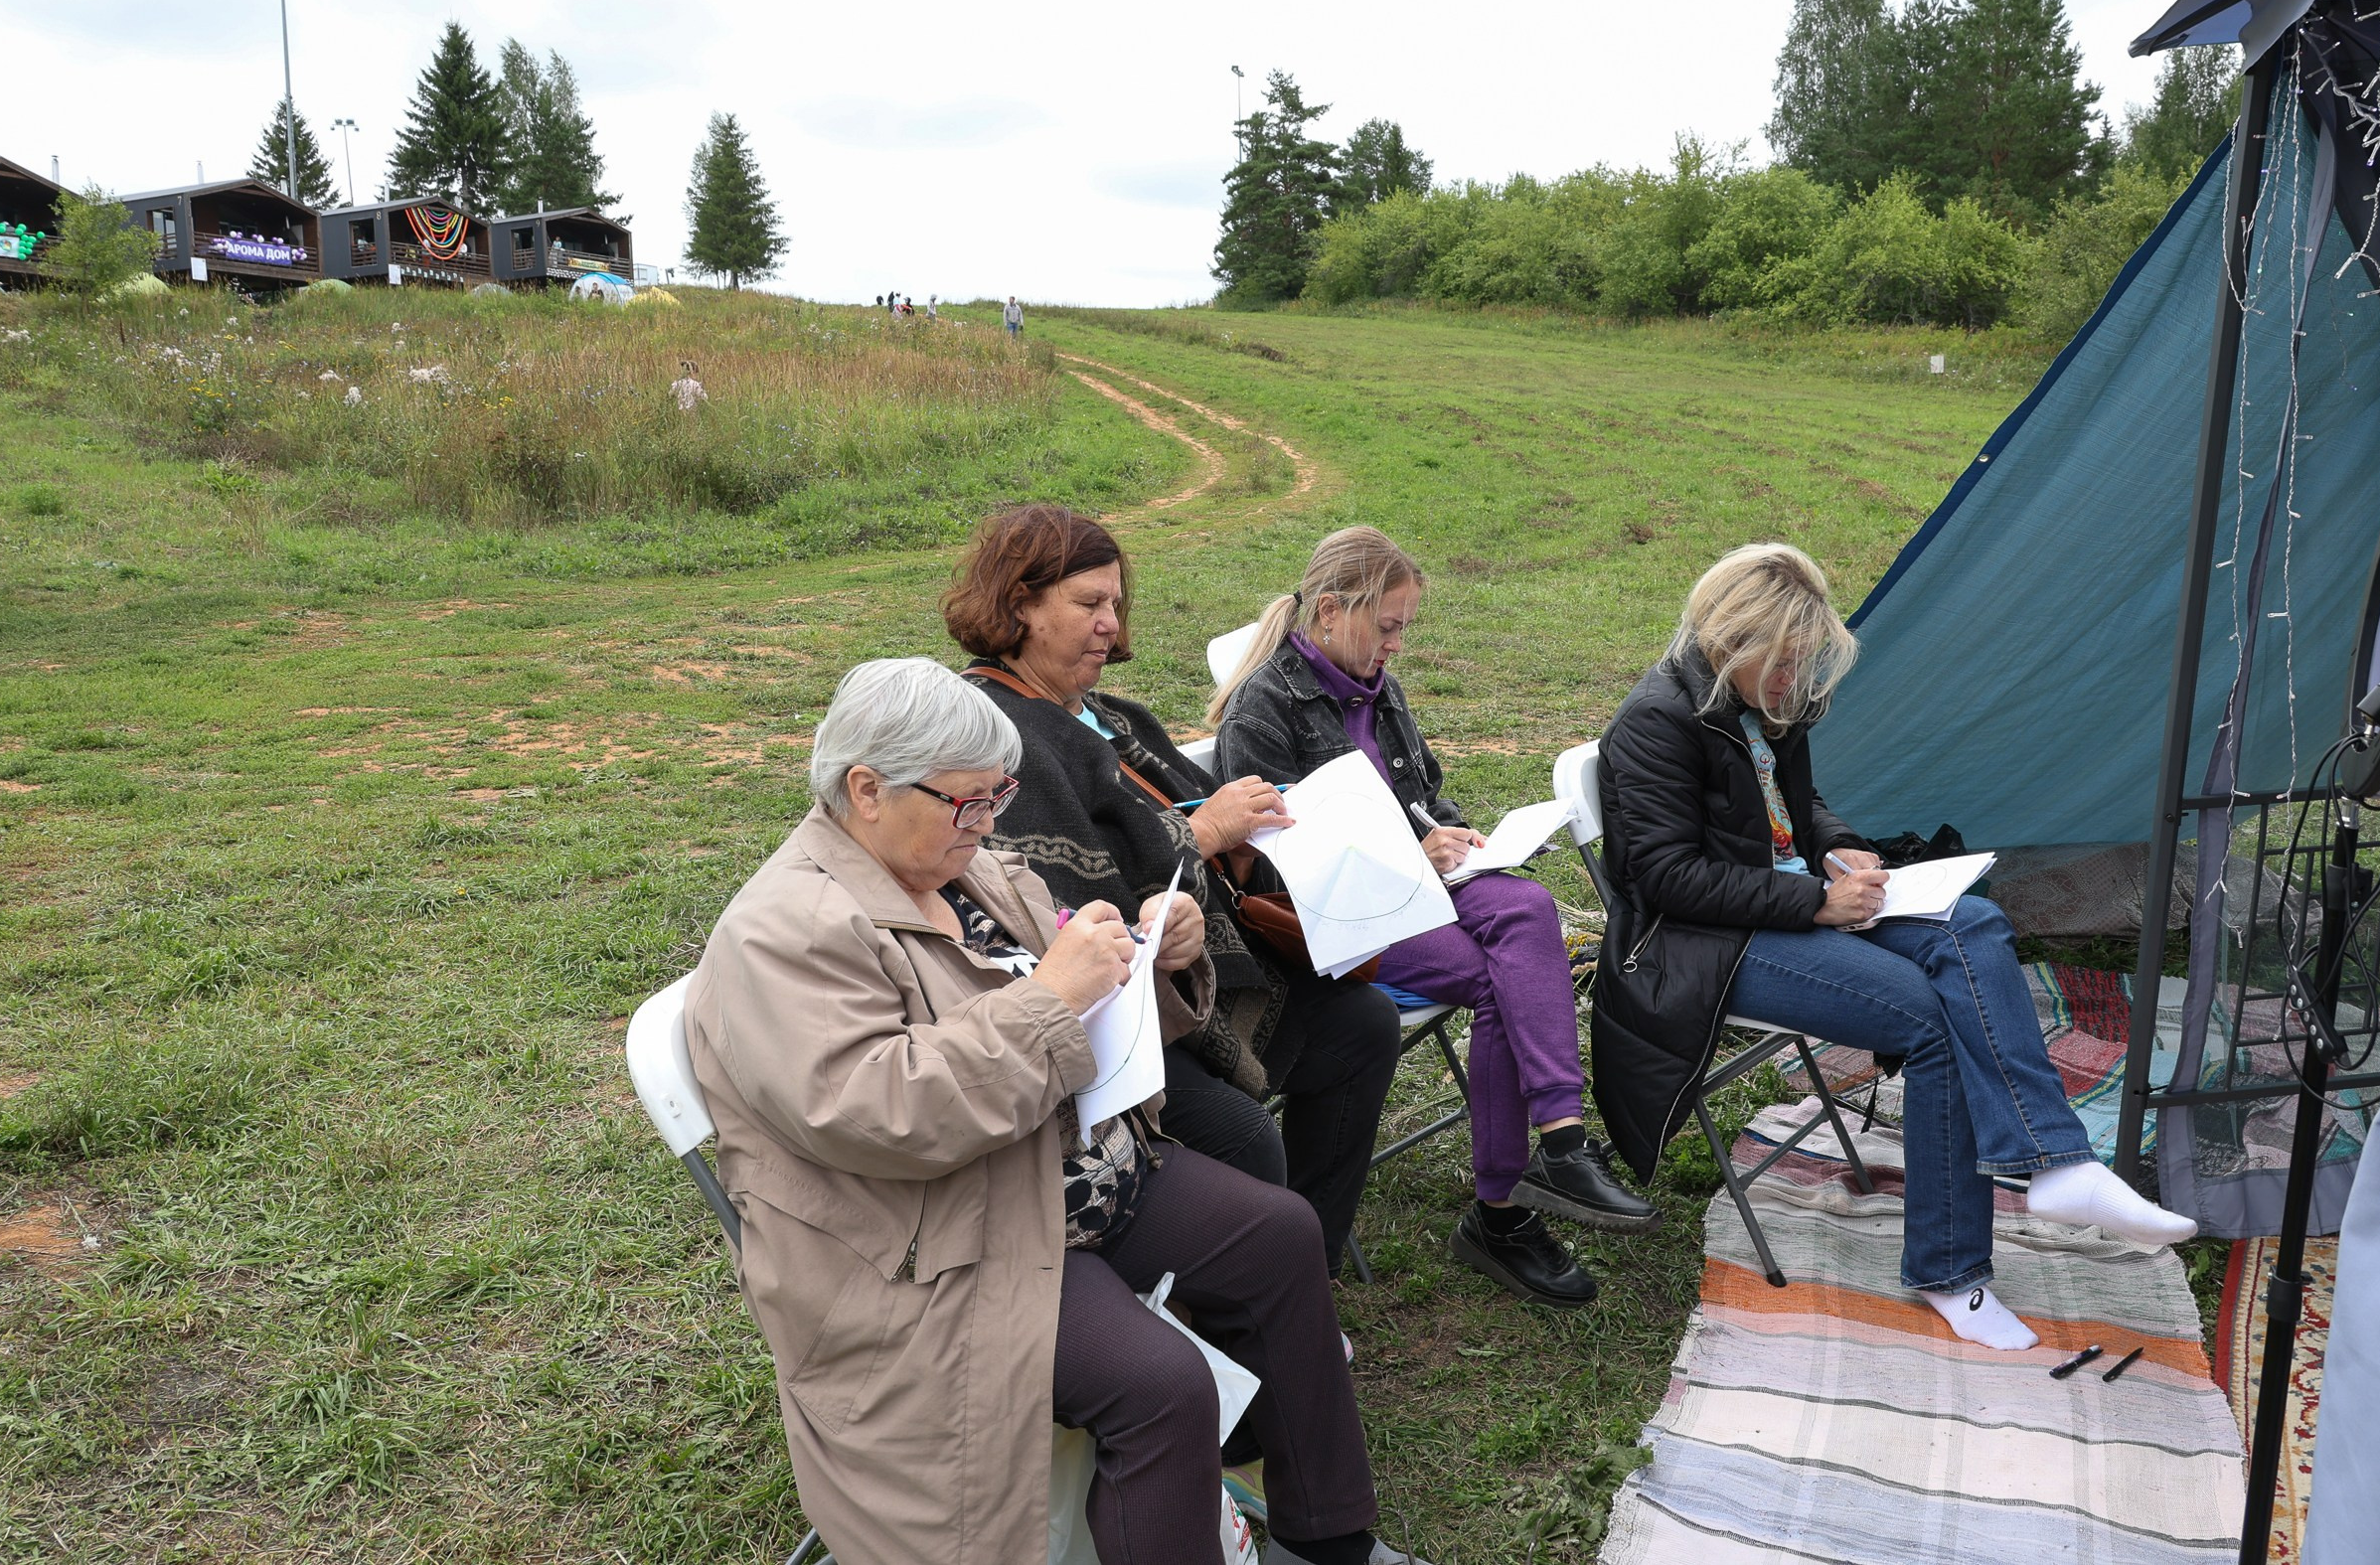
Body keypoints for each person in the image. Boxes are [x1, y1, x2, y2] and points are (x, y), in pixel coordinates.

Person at [685, 658, 1434, 1565]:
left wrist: (1151, 964)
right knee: (1163, 1384)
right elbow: (885, 1110)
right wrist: (1051, 993)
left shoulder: (972, 869)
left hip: (1063, 1176)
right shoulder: (784, 929)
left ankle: (1328, 1537)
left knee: (1278, 1233)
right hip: (946, 1241)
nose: (991, 822)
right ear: (866, 790)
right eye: (967, 802)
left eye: (996, 794)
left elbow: (1084, 1022)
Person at [1597, 544, 2197, 1348]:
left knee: (1975, 923)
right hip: (1708, 945)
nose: (1792, 681)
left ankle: (2055, 1164)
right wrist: (1816, 899)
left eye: (1804, 662)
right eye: (1780, 662)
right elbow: (1666, 878)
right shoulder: (1654, 723)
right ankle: (1955, 1272)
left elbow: (1798, 804)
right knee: (1929, 1013)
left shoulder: (1770, 704)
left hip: (1792, 903)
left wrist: (1842, 848)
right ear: (1728, 639)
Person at [944, 504, 1402, 1276]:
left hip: (1209, 982)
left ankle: (1304, 1273)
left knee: (1363, 1025)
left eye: (1115, 602)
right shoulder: (994, 730)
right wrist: (1205, 835)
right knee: (1244, 1136)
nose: (1109, 623)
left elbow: (1191, 813)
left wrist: (1249, 843)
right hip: (1116, 1017)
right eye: (1088, 603)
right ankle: (1239, 1305)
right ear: (1019, 604)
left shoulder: (1108, 716)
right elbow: (1043, 903)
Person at [1210, 526, 1657, 1308]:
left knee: (1527, 904)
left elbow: (1424, 794)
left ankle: (1559, 1143)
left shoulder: (1377, 691)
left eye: (1404, 626)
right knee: (1502, 976)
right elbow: (1285, 865)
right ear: (1328, 610)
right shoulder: (1264, 707)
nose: (1397, 644)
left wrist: (1451, 832)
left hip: (1417, 886)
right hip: (1341, 919)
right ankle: (1505, 1210)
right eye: (1387, 625)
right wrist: (1418, 848)